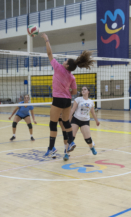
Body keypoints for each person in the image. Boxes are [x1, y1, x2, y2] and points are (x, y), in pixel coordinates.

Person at [41, 33, 94, 161]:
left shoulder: (58, 68)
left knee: (52, 124)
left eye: (65, 61)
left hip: (58, 99)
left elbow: (49, 54)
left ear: (66, 65)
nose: (63, 61)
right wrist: (66, 90)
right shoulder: (72, 77)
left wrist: (46, 40)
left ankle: (51, 147)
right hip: (67, 101)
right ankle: (70, 142)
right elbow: (75, 91)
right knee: (66, 122)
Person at [69, 86, 99, 155]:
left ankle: (92, 148)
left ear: (88, 91)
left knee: (88, 139)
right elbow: (72, 110)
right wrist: (69, 120)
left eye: (85, 89)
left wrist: (97, 121)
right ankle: (67, 154)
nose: (83, 90)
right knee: (71, 138)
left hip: (85, 121)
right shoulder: (78, 99)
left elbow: (93, 112)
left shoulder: (91, 101)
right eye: (82, 89)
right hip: (76, 119)